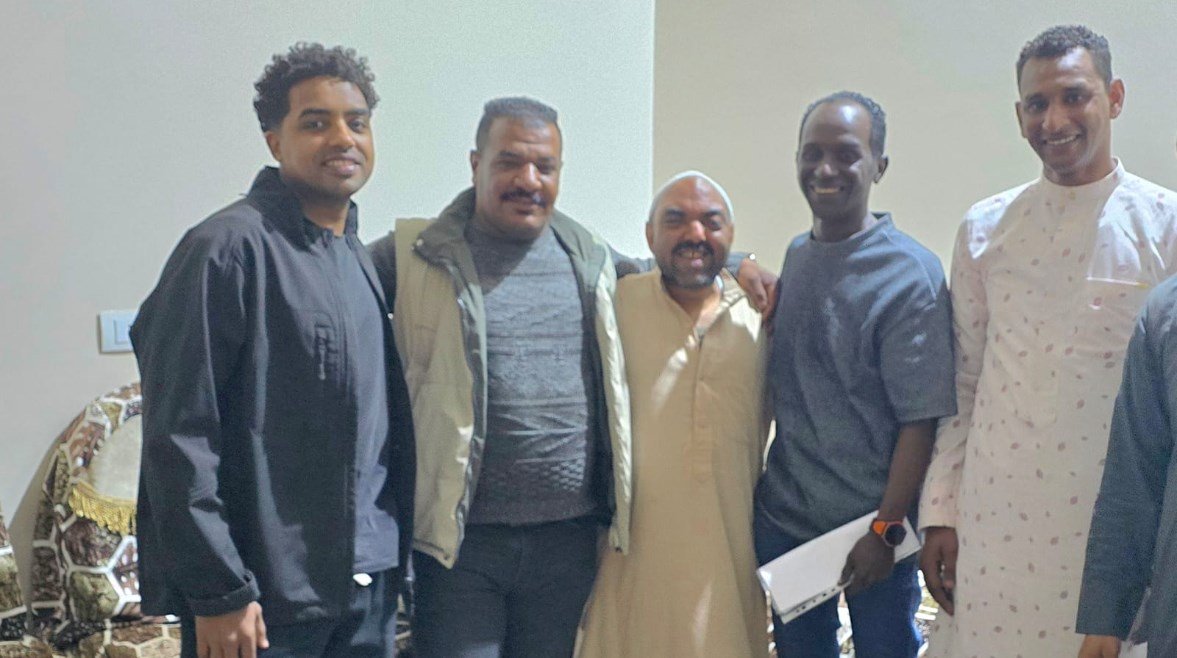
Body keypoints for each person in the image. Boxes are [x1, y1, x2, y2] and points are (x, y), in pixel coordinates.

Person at [369, 97, 768, 658]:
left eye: (545, 166)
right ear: (475, 164)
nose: (528, 180)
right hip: (461, 546)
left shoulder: (589, 257)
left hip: (568, 545)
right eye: (510, 162)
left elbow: (675, 258)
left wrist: (739, 260)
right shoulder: (416, 254)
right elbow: (335, 283)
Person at [132, 43, 414, 658]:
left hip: (367, 589)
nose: (343, 138)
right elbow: (179, 436)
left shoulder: (355, 257)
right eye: (315, 122)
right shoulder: (225, 250)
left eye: (357, 122)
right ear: (274, 140)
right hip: (263, 602)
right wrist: (218, 590)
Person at [919, 24, 1177, 657]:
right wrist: (940, 511)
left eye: (1074, 96)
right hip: (995, 527)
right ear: (1019, 117)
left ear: (1114, 97)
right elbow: (965, 381)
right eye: (1037, 104)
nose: (1054, 120)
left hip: (1115, 529)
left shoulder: (1166, 226)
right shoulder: (985, 229)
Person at [753, 91, 956, 658]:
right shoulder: (797, 256)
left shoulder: (910, 274)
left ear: (878, 166)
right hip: (789, 522)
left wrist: (885, 530)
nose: (825, 169)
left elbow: (921, 422)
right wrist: (738, 261)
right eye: (812, 153)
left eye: (846, 154)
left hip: (873, 533)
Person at [577, 172, 769, 657]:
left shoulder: (764, 316)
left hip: (729, 576)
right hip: (630, 577)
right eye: (676, 220)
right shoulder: (616, 305)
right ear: (649, 235)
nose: (694, 234)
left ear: (731, 233)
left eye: (711, 222)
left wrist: (744, 263)